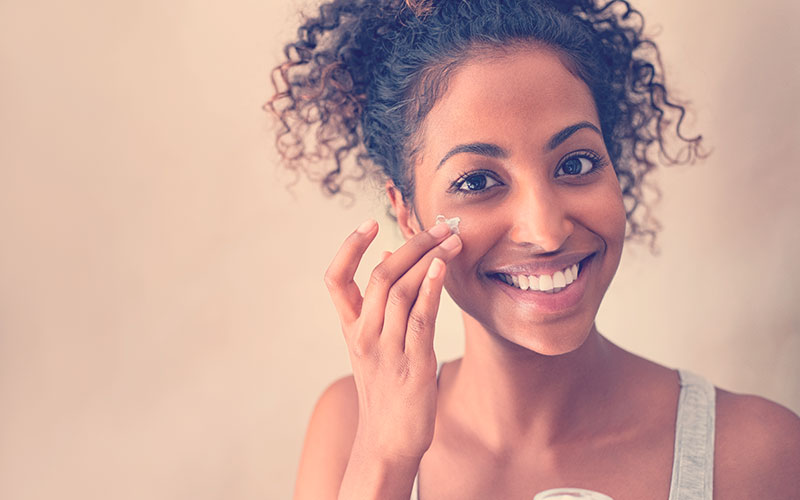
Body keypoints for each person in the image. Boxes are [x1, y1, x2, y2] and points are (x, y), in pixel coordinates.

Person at [267, 1, 800, 498]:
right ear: (407, 213)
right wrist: (384, 457)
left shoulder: (755, 454)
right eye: (477, 181)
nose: (545, 232)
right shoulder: (348, 427)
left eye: (575, 164)